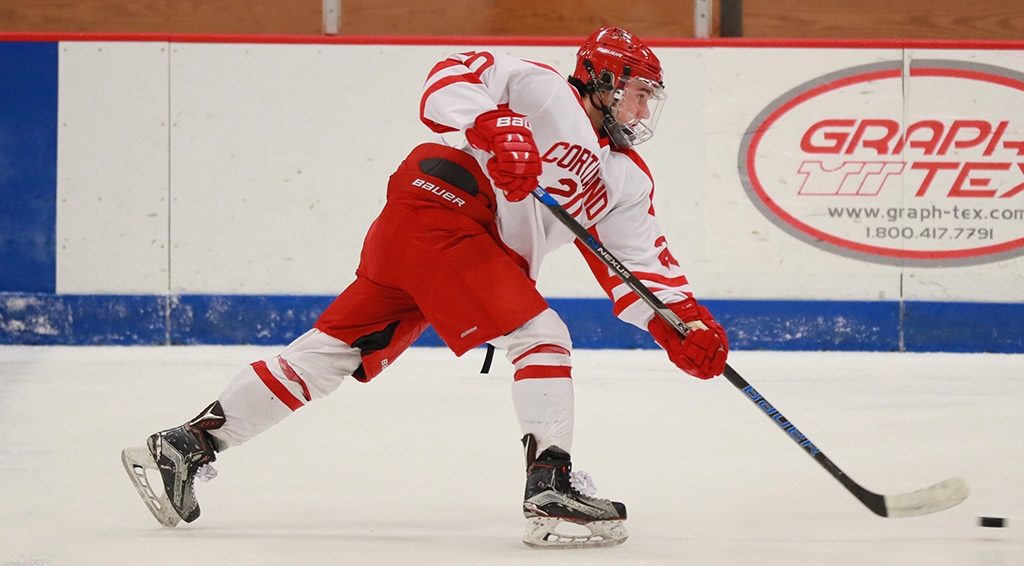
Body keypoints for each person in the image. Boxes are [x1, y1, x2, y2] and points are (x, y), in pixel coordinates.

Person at [121, 26, 728, 549]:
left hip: (433, 243)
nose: (645, 113)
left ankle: (185, 446)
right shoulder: (542, 89)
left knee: (329, 355)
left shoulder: (624, 178)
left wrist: (683, 326)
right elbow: (449, 74)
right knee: (541, 334)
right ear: (603, 82)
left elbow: (643, 265)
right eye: (639, 95)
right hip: (443, 210)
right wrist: (492, 124)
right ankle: (551, 485)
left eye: (653, 99)